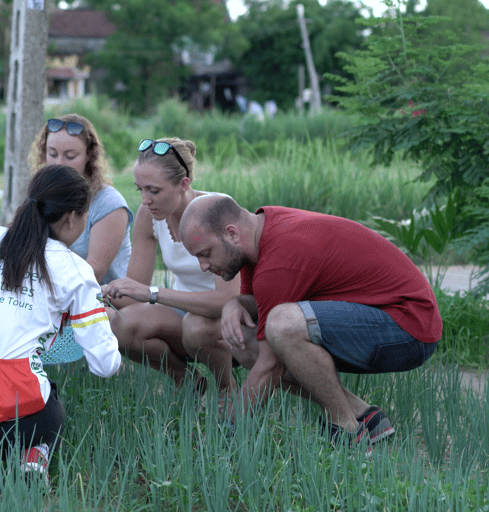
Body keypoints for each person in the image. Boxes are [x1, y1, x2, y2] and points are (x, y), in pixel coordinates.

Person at [179, 194, 442, 449]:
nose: (203, 266)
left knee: (283, 325)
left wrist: (226, 432)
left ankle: (346, 430)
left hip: (408, 326)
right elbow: (258, 304)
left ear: (232, 233)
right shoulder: (257, 236)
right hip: (377, 318)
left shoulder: (279, 258)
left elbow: (270, 366)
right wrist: (234, 303)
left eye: (206, 253)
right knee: (243, 340)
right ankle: (364, 416)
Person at [0, 164, 121, 484]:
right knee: (49, 399)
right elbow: (105, 365)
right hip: (22, 419)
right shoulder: (73, 268)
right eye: (86, 216)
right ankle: (32, 460)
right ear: (72, 217)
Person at [102, 138, 257, 396]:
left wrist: (154, 294)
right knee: (117, 324)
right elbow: (133, 294)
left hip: (232, 318)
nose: (145, 200)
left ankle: (226, 392)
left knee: (196, 326)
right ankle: (188, 382)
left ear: (184, 185)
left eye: (154, 191)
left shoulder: (217, 210)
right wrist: (100, 297)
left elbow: (227, 300)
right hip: (183, 313)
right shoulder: (148, 215)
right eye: (139, 189)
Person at [30, 115, 132, 285]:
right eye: (52, 154)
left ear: (89, 156)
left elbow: (92, 273)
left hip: (104, 301)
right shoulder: (39, 195)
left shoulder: (109, 204)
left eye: (70, 156)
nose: (59, 163)